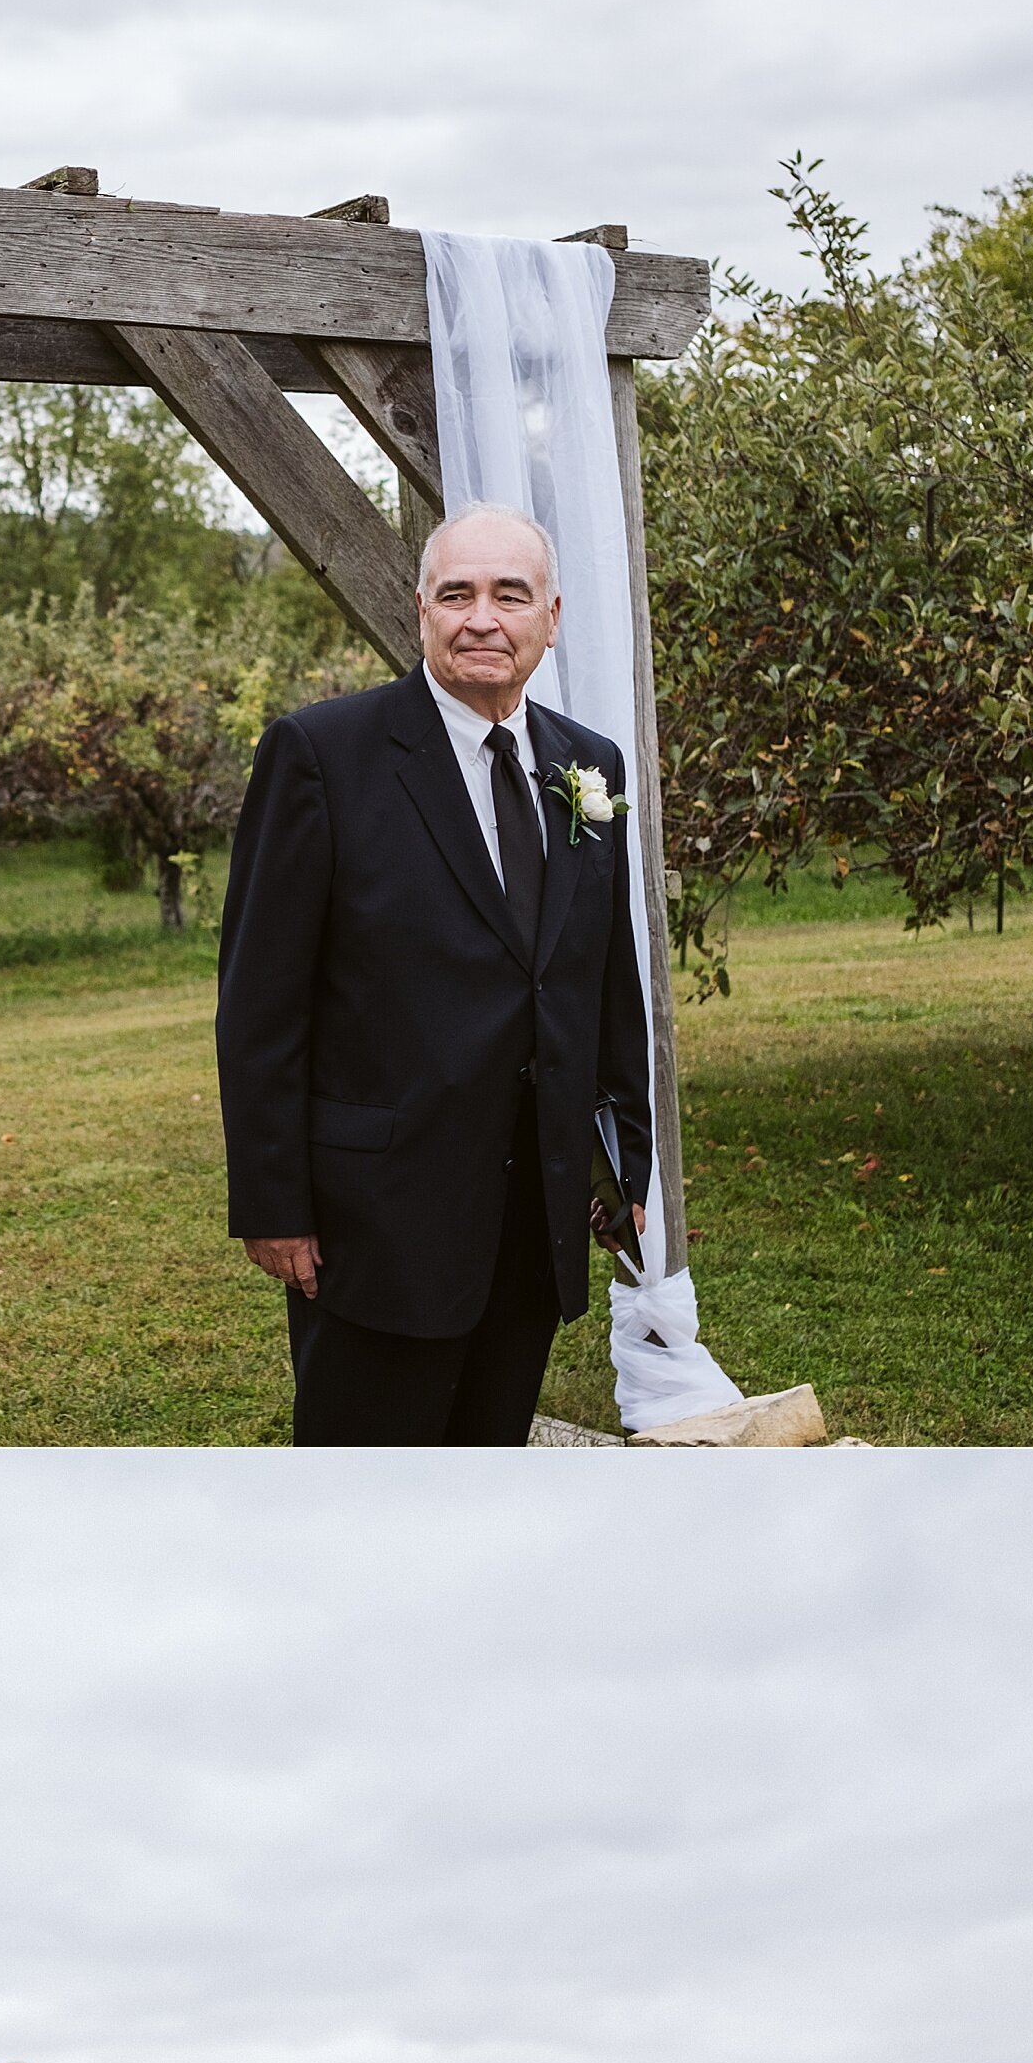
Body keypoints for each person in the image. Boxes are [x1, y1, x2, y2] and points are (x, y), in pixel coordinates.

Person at [216, 498, 652, 1448]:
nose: (481, 618)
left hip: (533, 1213)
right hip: (374, 1225)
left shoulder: (591, 764)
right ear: (421, 612)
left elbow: (602, 976)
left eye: (509, 594)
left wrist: (627, 1159)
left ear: (552, 617)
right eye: (456, 595)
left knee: (486, 1467)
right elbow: (259, 1005)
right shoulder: (323, 756)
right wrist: (272, 1202)